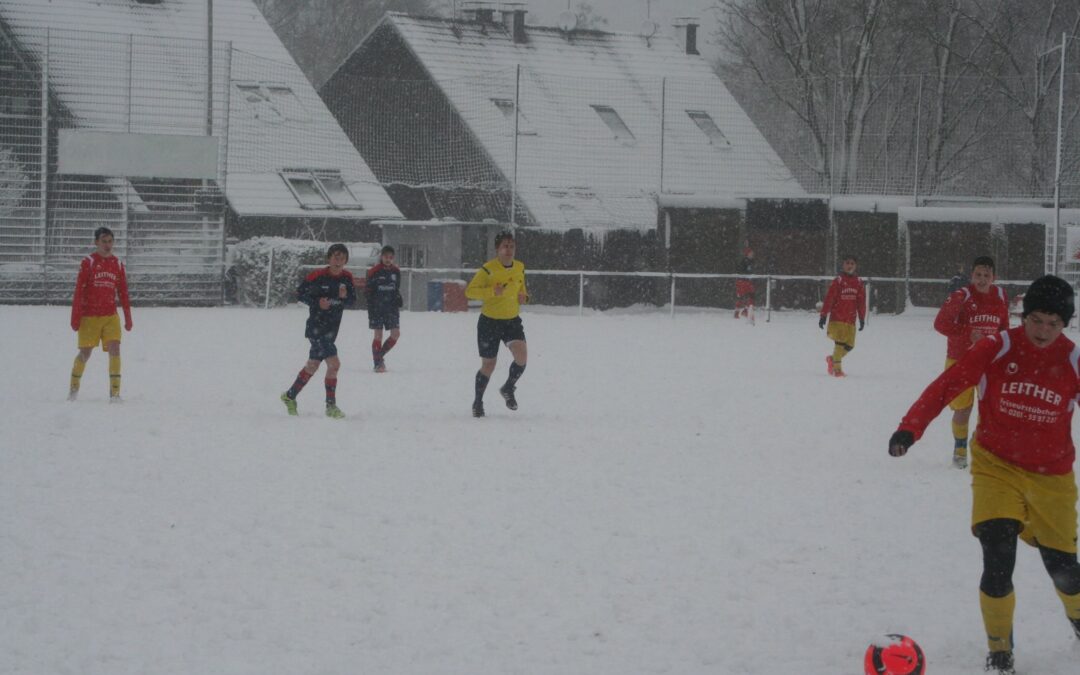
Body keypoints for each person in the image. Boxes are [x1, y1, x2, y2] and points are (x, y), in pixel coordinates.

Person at [888, 275, 1080, 674]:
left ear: (1065, 324)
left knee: (1063, 570)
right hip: (997, 466)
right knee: (997, 556)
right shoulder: (997, 347)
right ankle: (999, 650)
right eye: (1037, 320)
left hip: (1052, 477)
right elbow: (948, 385)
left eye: (1054, 323)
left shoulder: (1073, 360)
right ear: (1023, 316)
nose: (1044, 331)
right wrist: (911, 427)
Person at [933, 255, 1010, 469]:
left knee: (991, 410)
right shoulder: (962, 295)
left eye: (987, 275)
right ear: (972, 275)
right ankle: (959, 449)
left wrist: (1005, 351)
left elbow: (1004, 327)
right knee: (963, 409)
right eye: (978, 274)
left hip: (989, 362)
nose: (982, 279)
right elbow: (940, 324)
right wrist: (968, 333)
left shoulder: (1002, 296)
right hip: (961, 360)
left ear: (994, 277)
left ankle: (982, 446)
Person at [280, 243, 356, 419]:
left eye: (342, 257)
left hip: (332, 330)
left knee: (312, 366)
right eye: (335, 256)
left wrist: (346, 297)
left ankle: (290, 396)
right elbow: (300, 293)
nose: (338, 260)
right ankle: (331, 407)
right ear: (329, 258)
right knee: (334, 364)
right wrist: (316, 303)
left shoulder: (347, 277)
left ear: (346, 260)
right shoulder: (317, 276)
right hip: (316, 329)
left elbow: (352, 301)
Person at [465, 230, 528, 418]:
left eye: (512, 246)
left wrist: (524, 296)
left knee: (522, 356)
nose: (509, 250)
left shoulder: (520, 267)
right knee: (489, 365)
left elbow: (521, 287)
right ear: (497, 250)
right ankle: (478, 401)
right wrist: (492, 291)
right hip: (489, 322)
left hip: (512, 320)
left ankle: (508, 387)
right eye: (505, 247)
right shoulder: (487, 269)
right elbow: (470, 292)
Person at [68, 226, 133, 402]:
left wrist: (128, 317)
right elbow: (79, 291)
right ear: (96, 242)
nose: (107, 244)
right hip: (90, 317)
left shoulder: (117, 264)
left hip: (110, 317)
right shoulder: (88, 262)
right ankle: (73, 390)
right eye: (104, 241)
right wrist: (75, 316)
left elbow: (123, 292)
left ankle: (115, 394)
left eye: (110, 241)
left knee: (115, 349)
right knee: (85, 353)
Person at [818, 255, 866, 377]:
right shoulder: (838, 281)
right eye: (847, 263)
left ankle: (832, 359)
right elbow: (829, 298)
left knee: (850, 345)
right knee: (839, 343)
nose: (850, 266)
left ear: (856, 266)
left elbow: (861, 301)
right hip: (838, 318)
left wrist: (861, 317)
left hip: (850, 319)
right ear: (843, 265)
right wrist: (823, 315)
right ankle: (837, 370)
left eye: (852, 263)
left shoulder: (859, 282)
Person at [365, 245, 403, 373]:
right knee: (378, 335)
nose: (388, 259)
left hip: (391, 309)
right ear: (381, 257)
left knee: (395, 334)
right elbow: (368, 292)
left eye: (391, 257)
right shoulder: (374, 271)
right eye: (386, 257)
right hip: (377, 309)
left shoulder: (396, 272)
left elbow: (396, 288)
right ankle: (378, 364)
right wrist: (372, 307)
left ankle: (379, 355)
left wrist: (398, 297)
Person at [734, 247, 755, 324]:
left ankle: (745, 311)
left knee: (750, 296)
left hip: (747, 281)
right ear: (747, 254)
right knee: (741, 297)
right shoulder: (745, 262)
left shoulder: (751, 261)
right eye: (751, 253)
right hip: (742, 281)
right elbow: (742, 271)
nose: (752, 254)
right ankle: (737, 313)